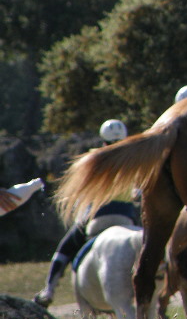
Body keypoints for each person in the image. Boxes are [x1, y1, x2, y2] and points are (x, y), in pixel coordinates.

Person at [34, 119, 138, 307]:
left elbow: (83, 189)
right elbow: (138, 193)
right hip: (127, 217)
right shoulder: (133, 161)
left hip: (99, 216)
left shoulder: (94, 158)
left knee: (65, 248)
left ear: (103, 140)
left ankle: (49, 289)